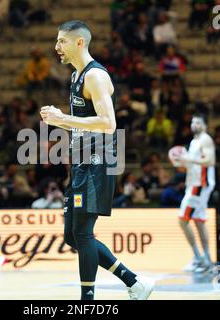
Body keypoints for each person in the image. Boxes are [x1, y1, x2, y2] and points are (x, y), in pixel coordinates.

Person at [40, 20, 154, 300]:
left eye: (62, 41)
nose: (56, 47)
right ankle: (134, 282)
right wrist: (63, 122)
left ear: (80, 42)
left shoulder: (95, 76)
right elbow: (83, 123)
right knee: (72, 236)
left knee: (83, 233)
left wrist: (61, 119)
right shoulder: (76, 75)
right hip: (81, 162)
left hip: (98, 161)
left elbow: (108, 123)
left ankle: (87, 300)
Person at [172, 114, 216, 273]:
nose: (194, 124)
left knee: (183, 220)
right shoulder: (193, 142)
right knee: (198, 221)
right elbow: (193, 164)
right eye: (192, 122)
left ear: (204, 125)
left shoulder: (205, 139)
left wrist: (189, 159)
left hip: (200, 185)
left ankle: (198, 257)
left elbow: (210, 161)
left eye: (198, 122)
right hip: (194, 184)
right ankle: (206, 258)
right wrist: (182, 163)